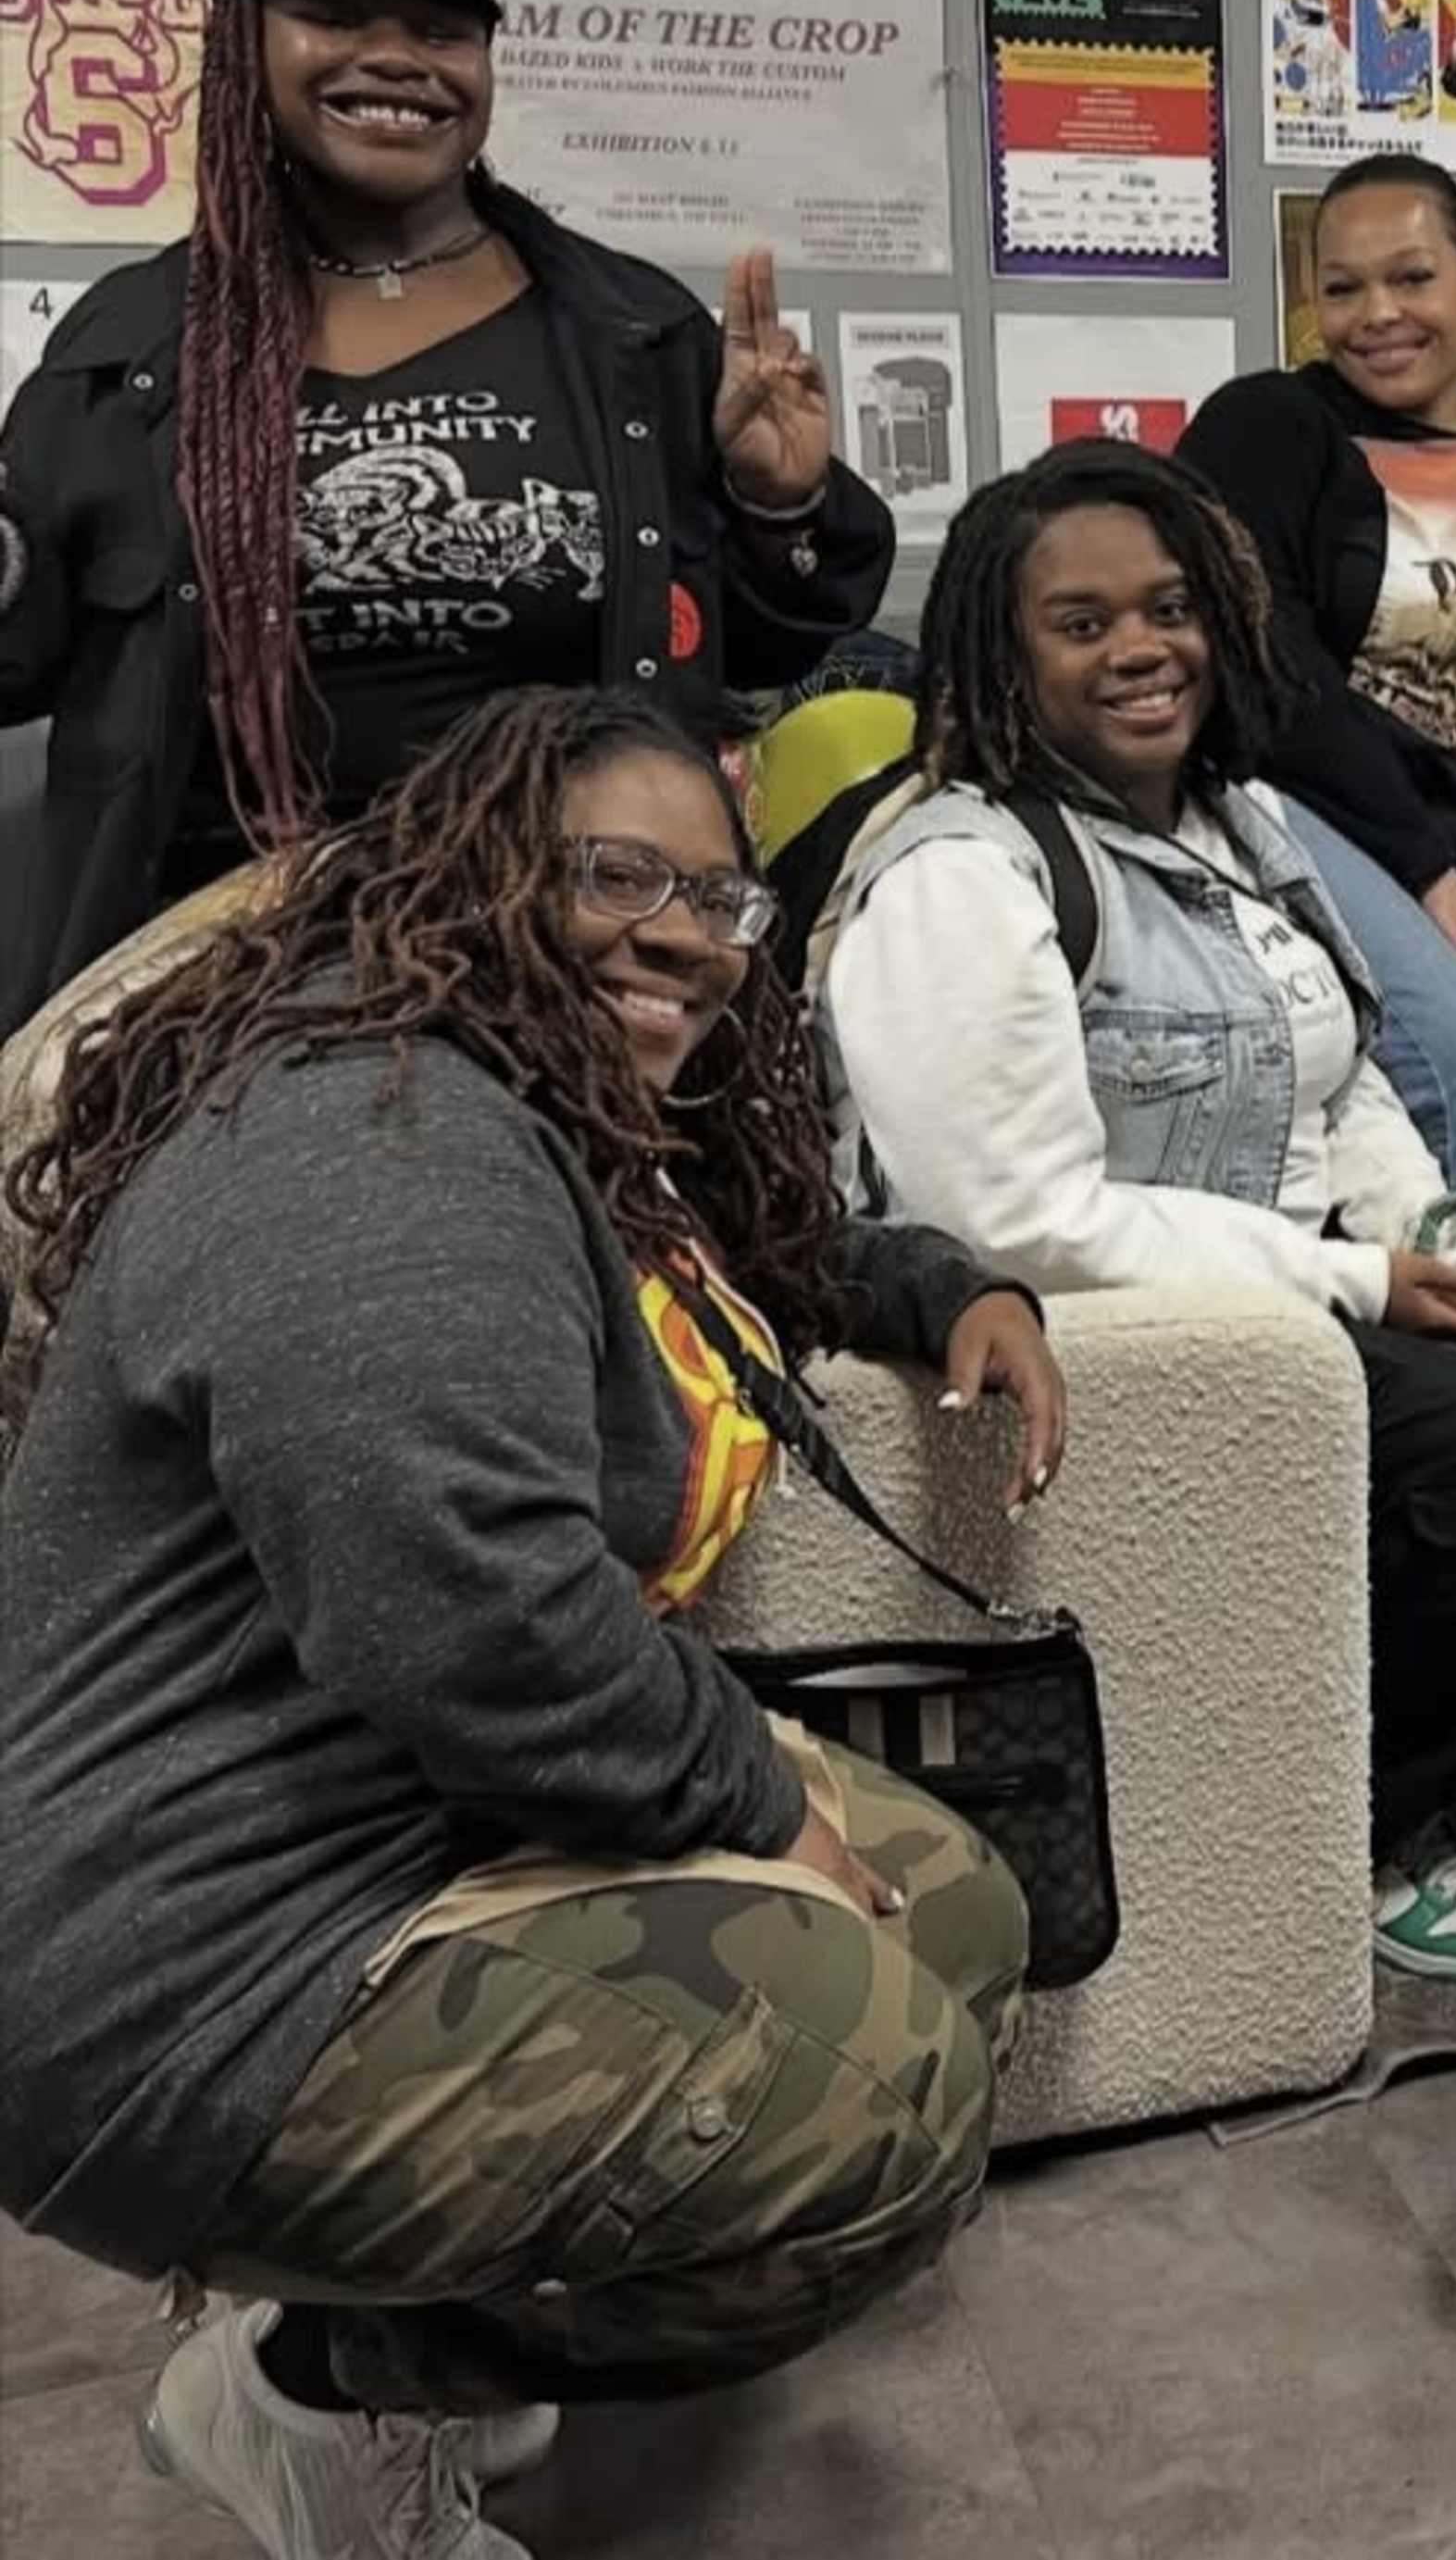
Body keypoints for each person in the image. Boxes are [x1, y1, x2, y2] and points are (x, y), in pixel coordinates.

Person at [0, 688, 1059, 2560]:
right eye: (609, 875)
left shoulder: (529, 1118)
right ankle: (320, 2395)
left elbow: (750, 1263)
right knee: (874, 2097)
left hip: (387, 1825)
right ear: (468, 879)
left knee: (952, 1909)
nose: (679, 930)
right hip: (178, 1958)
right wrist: (745, 1799)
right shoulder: (387, 1132)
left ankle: (390, 2329)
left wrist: (960, 1289)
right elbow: (468, 1608)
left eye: (717, 899)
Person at [815, 442, 1456, 1982]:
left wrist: (1430, 1231)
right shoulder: (964, 874)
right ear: (1000, 652)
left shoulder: (1236, 824)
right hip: (1101, 1333)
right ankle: (1356, 1837)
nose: (1144, 648)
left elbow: (1337, 1082)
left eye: (1167, 608)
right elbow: (1018, 1223)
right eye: (1082, 625)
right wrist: (1359, 1282)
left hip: (1280, 1280)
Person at [0, 0, 893, 1038]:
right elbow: (24, 657)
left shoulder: (628, 334)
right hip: (236, 978)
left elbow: (772, 640)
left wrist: (780, 503)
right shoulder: (133, 350)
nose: (397, 61)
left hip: (576, 968)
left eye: (442, 30)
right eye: (333, 15)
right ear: (242, 40)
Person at [1176, 150, 1456, 1270]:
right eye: (1342, 288)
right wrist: (1428, 869)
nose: (1377, 314)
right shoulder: (1271, 424)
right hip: (1317, 828)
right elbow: (1272, 669)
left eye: (1412, 278)